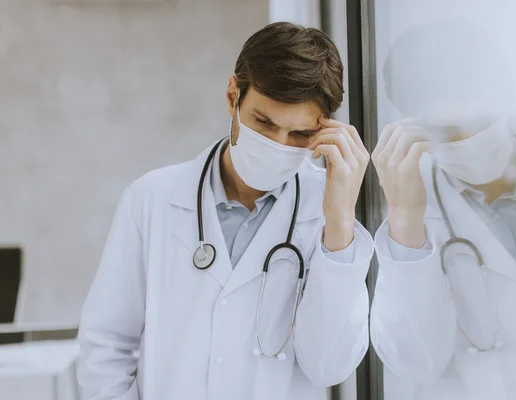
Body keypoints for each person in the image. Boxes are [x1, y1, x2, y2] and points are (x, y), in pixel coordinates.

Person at [78, 22, 373, 400]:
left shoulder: (328, 214)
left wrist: (341, 222)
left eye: (299, 134)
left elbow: (328, 367)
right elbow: (106, 346)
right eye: (263, 122)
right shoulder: (152, 198)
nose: (277, 145)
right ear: (233, 96)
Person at [370, 20, 516, 400]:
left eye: (475, 118)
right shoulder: (406, 205)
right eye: (444, 128)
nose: (466, 139)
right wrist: (406, 219)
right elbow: (414, 362)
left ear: (504, 91)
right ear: (413, 124)